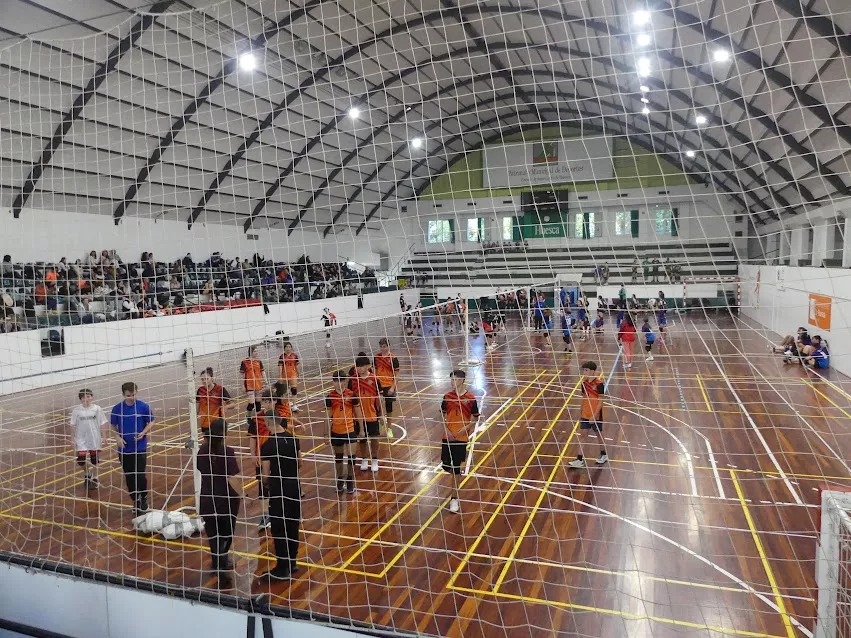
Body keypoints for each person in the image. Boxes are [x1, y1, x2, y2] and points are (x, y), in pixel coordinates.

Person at [258, 393, 302, 581]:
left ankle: (282, 568)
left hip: (279, 490)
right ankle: (292, 563)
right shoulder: (294, 439)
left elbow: (266, 474)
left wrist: (265, 483)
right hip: (294, 487)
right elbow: (299, 462)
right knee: (293, 526)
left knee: (279, 528)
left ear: (269, 424)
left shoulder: (267, 445)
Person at [197, 418, 242, 584]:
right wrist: (244, 495)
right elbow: (232, 479)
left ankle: (217, 561)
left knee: (213, 533)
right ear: (225, 433)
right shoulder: (228, 452)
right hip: (226, 500)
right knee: (226, 533)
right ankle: (222, 561)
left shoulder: (202, 451)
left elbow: (201, 469)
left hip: (208, 498)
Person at [110, 382, 155, 516]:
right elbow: (113, 426)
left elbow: (151, 421)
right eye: (129, 395)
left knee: (140, 474)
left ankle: (144, 498)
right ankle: (135, 500)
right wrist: (117, 438)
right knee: (129, 476)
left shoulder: (143, 406)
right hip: (124, 449)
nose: (132, 397)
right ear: (123, 395)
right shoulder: (117, 409)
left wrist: (144, 432)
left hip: (139, 447)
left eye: (134, 394)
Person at [440, 369, 480, 513]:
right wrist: (447, 429)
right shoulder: (447, 396)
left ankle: (454, 499)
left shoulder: (470, 398)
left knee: (456, 467)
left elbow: (475, 418)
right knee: (445, 465)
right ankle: (456, 475)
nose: (452, 382)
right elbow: (442, 415)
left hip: (461, 439)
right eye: (451, 380)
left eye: (455, 380)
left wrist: (465, 429)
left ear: (462, 380)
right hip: (447, 437)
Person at [348, 355, 385, 472]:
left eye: (362, 366)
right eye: (357, 366)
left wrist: (382, 415)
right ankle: (364, 459)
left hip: (372, 414)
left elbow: (380, 398)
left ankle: (374, 459)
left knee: (374, 438)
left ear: (368, 366)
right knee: (361, 439)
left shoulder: (375, 379)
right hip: (358, 417)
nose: (359, 369)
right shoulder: (353, 380)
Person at [568, 362, 607, 468]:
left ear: (593, 371)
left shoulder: (599, 384)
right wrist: (581, 411)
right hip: (585, 414)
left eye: (586, 370)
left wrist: (594, 415)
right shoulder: (584, 383)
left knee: (599, 434)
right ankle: (579, 459)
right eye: (583, 370)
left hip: (596, 415)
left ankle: (603, 454)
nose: (584, 372)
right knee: (583, 435)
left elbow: (600, 401)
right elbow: (584, 398)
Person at [326, 371, 358, 494]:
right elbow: (328, 417)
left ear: (345, 381)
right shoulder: (330, 397)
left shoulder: (352, 395)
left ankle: (350, 479)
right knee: (338, 458)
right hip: (336, 431)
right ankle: (340, 479)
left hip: (350, 430)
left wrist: (361, 429)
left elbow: (358, 412)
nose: (338, 383)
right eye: (335, 381)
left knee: (351, 457)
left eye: (340, 380)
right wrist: (325, 433)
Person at [70, 389, 108, 488]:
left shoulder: (97, 409)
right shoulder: (76, 410)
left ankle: (95, 476)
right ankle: (87, 473)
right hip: (81, 438)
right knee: (81, 460)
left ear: (92, 397)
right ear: (80, 399)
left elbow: (102, 422)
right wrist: (72, 438)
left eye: (88, 396)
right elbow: (72, 425)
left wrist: (104, 436)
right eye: (84, 397)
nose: (86, 399)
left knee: (94, 460)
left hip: (94, 437)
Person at [248, 391, 274, 531]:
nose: (267, 403)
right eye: (265, 401)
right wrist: (253, 455)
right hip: (262, 457)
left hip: (277, 457)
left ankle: (279, 512)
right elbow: (252, 438)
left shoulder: (279, 417)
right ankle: (265, 515)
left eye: (270, 401)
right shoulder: (256, 419)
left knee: (278, 484)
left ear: (274, 402)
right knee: (263, 486)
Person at [196, 367, 232, 434]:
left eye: (206, 379)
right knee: (207, 443)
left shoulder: (220, 389)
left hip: (218, 422)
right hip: (205, 423)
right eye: (202, 379)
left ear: (212, 378)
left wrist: (226, 407)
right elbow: (197, 407)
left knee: (219, 443)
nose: (204, 381)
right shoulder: (200, 390)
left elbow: (232, 404)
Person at [374, 338, 400, 417]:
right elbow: (375, 371)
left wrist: (392, 388)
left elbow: (397, 375)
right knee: (377, 405)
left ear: (388, 346)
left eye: (384, 346)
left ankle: (389, 428)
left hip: (388, 385)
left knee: (389, 408)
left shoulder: (393, 358)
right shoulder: (376, 357)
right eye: (381, 347)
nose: (383, 349)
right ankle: (380, 420)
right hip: (378, 385)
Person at [240, 345, 265, 422]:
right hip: (249, 384)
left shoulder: (259, 362)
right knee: (251, 403)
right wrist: (242, 386)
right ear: (250, 352)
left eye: (257, 351)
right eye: (254, 351)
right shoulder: (244, 362)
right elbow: (242, 375)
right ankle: (248, 415)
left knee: (258, 402)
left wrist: (266, 382)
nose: (256, 353)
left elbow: (263, 372)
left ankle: (258, 418)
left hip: (258, 384)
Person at [278, 341, 301, 413]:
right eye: (287, 347)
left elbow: (296, 365)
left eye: (289, 347)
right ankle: (286, 405)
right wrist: (280, 376)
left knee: (294, 390)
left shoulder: (295, 356)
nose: (288, 348)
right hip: (285, 376)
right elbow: (280, 367)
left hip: (293, 375)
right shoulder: (282, 357)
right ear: (284, 348)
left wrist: (298, 373)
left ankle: (294, 406)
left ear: (291, 348)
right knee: (285, 391)